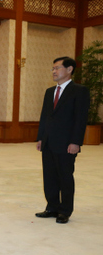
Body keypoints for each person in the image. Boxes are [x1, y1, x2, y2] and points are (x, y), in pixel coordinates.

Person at [35, 57, 89, 224]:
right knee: (49, 176)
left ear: (69, 69)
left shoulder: (79, 91)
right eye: (53, 68)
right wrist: (40, 137)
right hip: (49, 141)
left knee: (65, 176)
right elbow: (45, 117)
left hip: (67, 143)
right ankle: (52, 207)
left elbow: (80, 119)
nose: (54, 71)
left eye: (57, 68)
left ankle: (65, 210)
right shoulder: (49, 91)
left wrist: (76, 142)